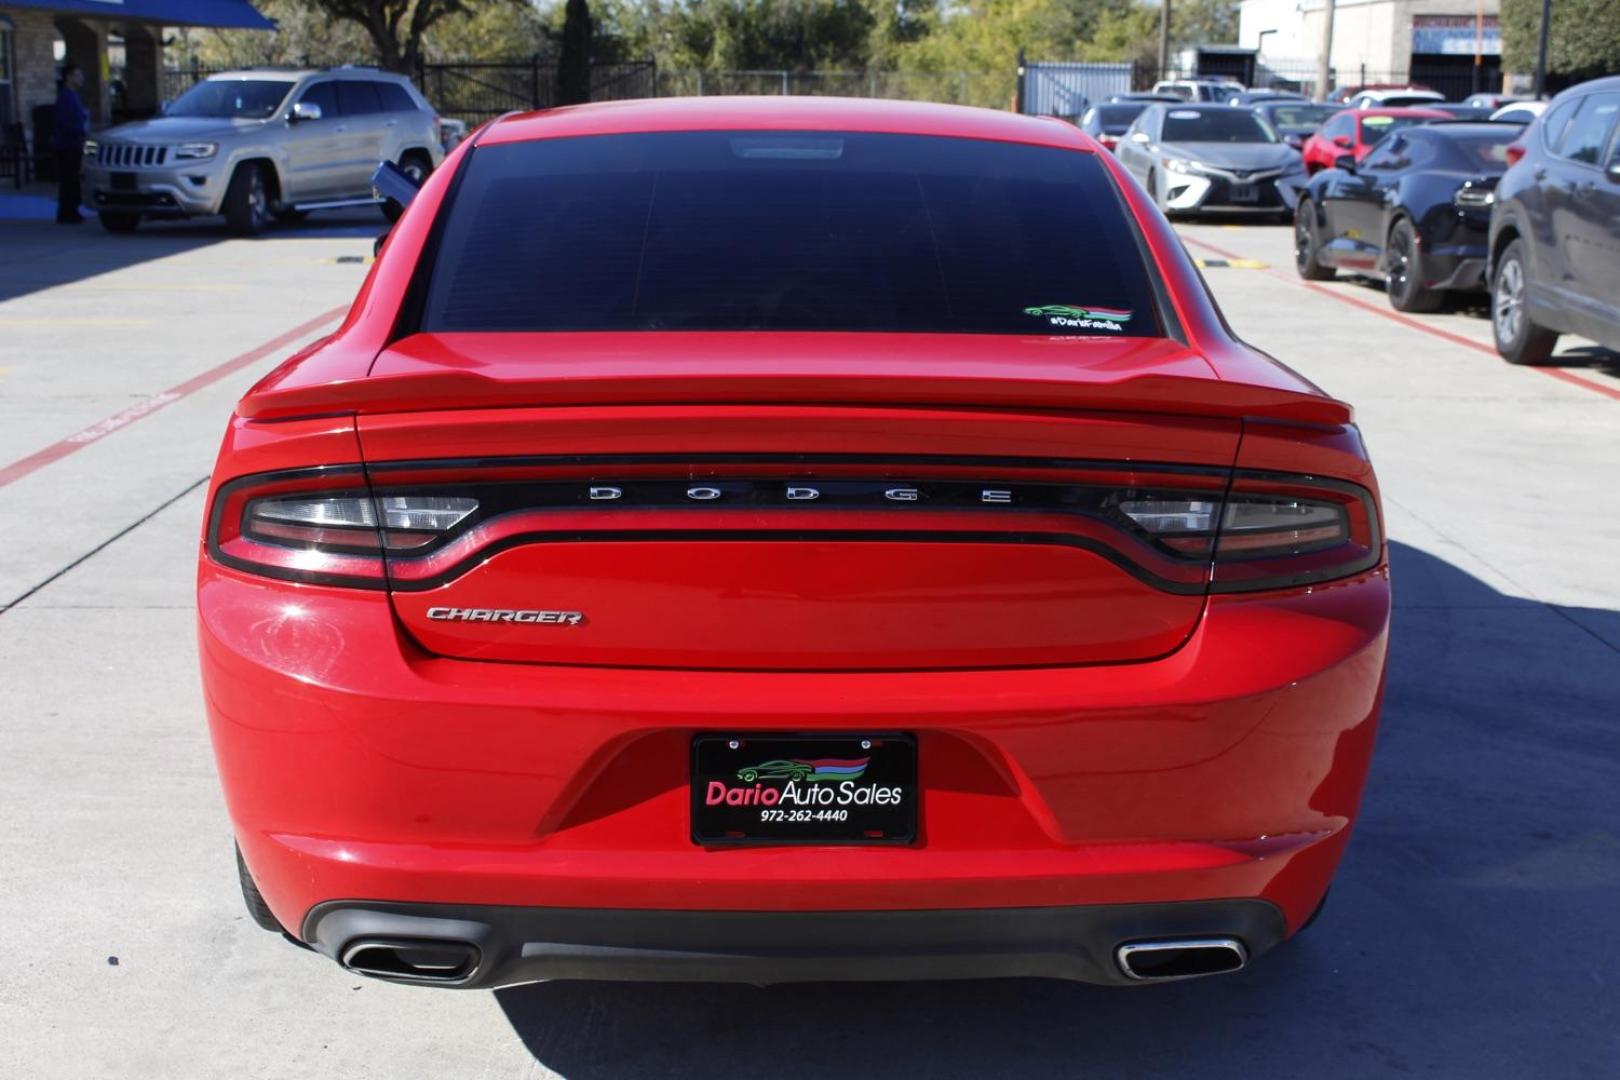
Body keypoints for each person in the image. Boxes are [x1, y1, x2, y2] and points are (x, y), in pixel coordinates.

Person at [53, 62, 90, 225]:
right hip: (68, 145)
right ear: (68, 77)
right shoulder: (66, 97)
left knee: (72, 178)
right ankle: (68, 212)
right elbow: (67, 123)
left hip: (74, 143)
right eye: (77, 75)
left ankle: (68, 211)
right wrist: (81, 132)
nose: (81, 78)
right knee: (69, 179)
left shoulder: (73, 96)